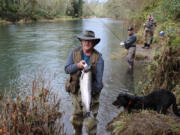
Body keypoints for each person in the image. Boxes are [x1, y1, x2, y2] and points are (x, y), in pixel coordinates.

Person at [64, 30, 104, 135]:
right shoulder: (74, 53)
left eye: (90, 41)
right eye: (85, 40)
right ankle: (77, 132)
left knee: (90, 123)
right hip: (75, 91)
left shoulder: (99, 58)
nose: (87, 43)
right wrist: (77, 66)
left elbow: (99, 83)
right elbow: (67, 69)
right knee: (75, 119)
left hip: (91, 93)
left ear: (94, 43)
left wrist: (88, 95)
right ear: (81, 41)